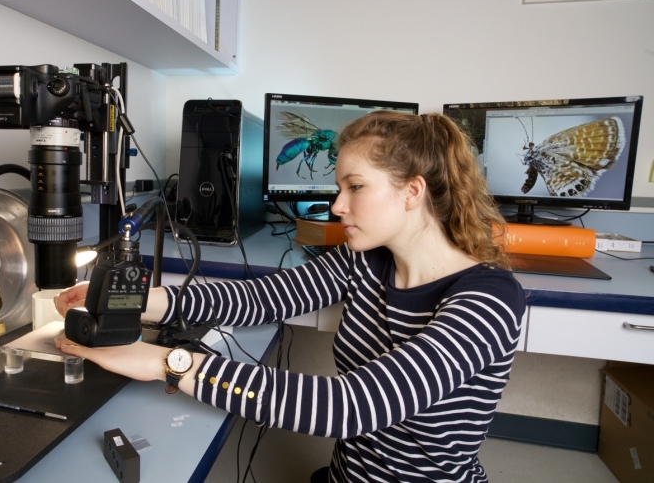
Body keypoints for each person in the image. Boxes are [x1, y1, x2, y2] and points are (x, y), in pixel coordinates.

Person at [54, 111, 526, 483]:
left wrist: (166, 363)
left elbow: (353, 406)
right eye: (339, 188)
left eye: (355, 187)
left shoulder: (488, 299)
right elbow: (259, 299)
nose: (338, 206)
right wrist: (138, 300)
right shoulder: (365, 260)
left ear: (413, 191)